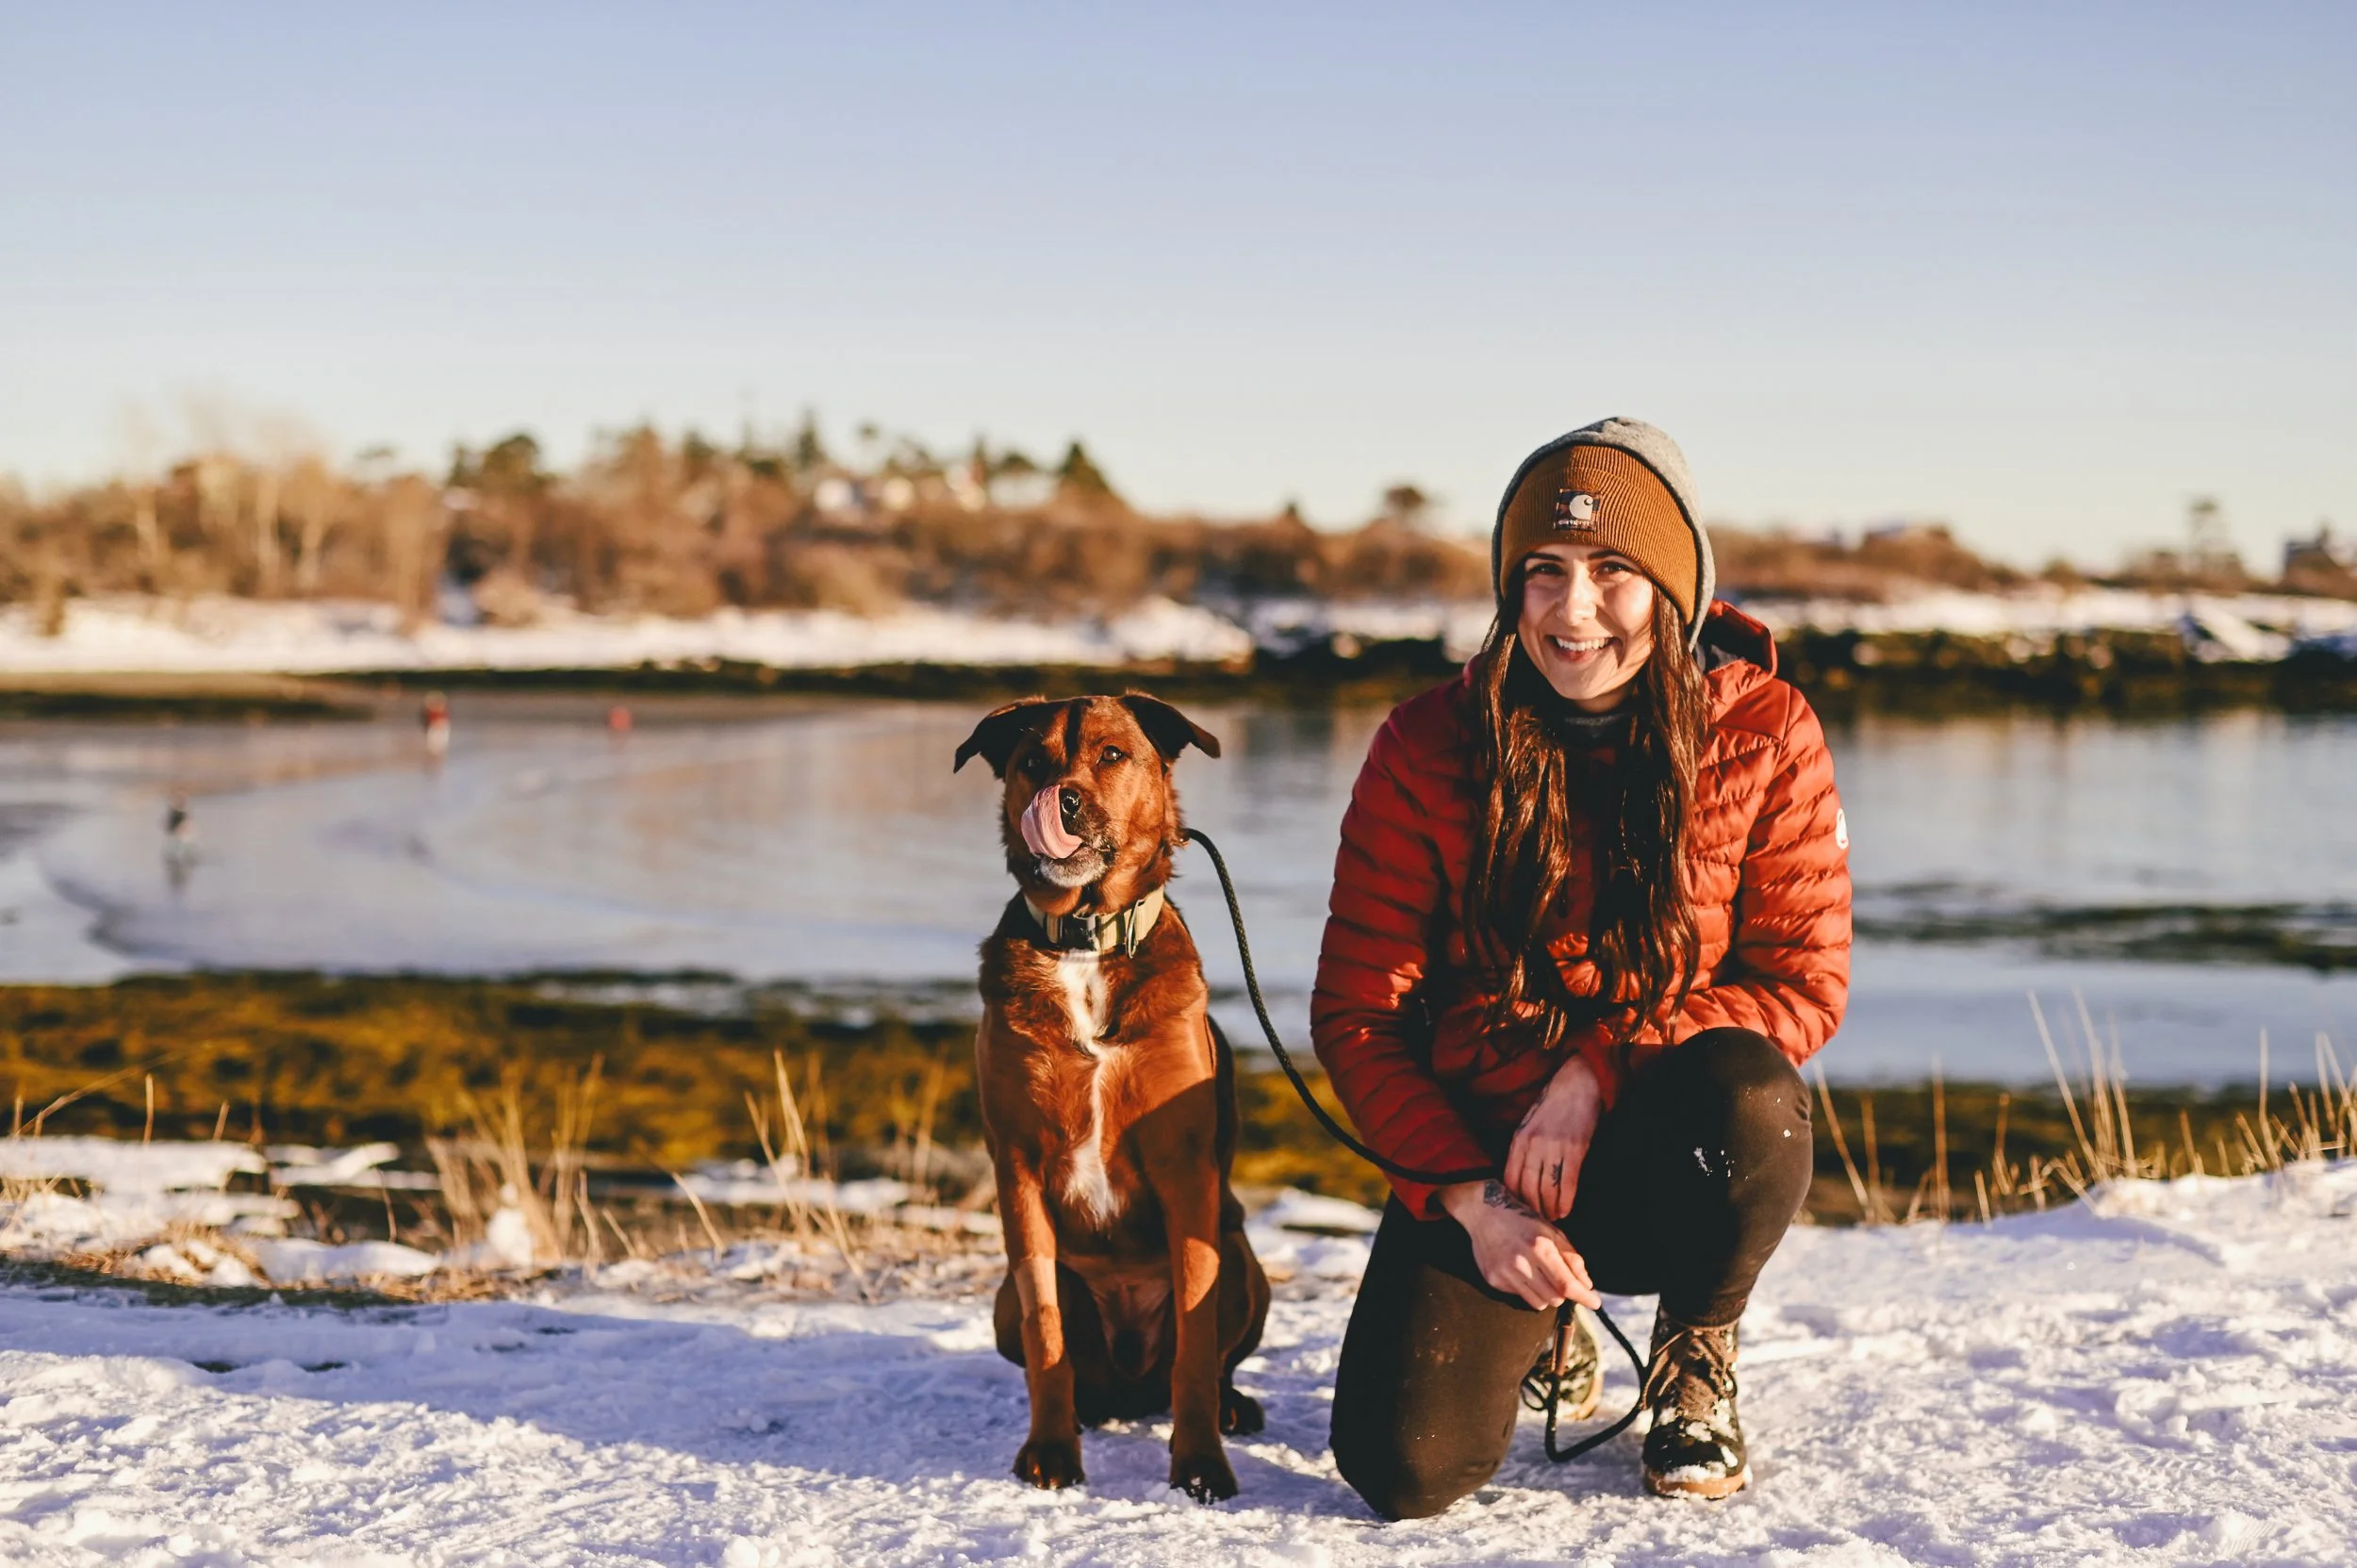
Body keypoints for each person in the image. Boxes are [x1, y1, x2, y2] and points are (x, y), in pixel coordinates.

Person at [1311, 418, 1851, 1516]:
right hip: (1490, 1162)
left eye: (1614, 572)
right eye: (1542, 574)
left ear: (1676, 586)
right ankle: (1544, 1310)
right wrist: (1468, 1200)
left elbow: (1801, 981)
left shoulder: (1765, 729)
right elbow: (1359, 1012)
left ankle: (1695, 1343)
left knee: (1750, 1091)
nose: (1573, 611)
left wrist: (1597, 1071)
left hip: (1668, 1136)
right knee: (1403, 1468)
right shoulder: (1424, 744)